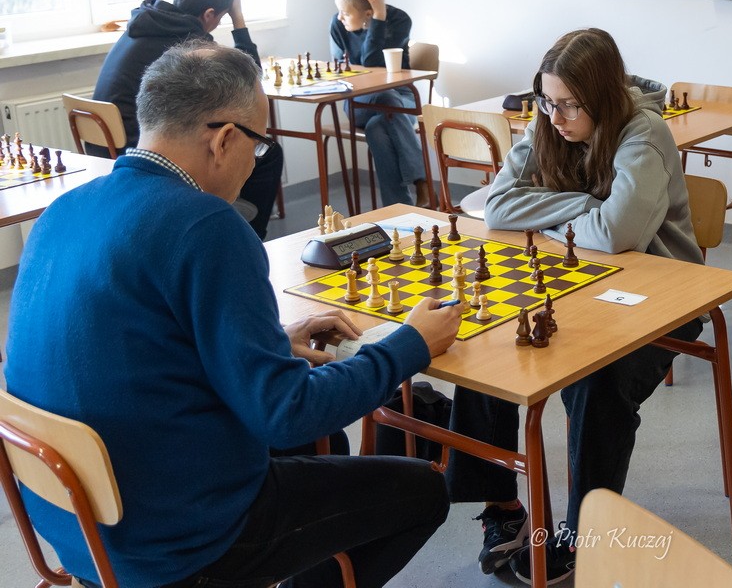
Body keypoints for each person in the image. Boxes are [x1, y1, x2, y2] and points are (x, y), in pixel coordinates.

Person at [5, 40, 462, 588]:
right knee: (424, 490)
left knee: (318, 451)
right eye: (259, 145)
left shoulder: (64, 208)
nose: (255, 163)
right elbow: (290, 412)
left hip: (73, 520)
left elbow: (134, 345)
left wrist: (269, 341)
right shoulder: (206, 226)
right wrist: (409, 345)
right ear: (224, 139)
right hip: (177, 544)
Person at [446, 28, 704, 585]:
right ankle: (502, 506)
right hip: (574, 280)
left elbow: (615, 234)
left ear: (603, 97)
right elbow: (498, 207)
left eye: (569, 104)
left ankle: (587, 533)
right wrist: (586, 204)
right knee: (484, 342)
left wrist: (555, 215)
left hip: (664, 296)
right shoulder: (547, 120)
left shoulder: (644, 131)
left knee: (598, 381)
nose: (555, 116)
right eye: (547, 100)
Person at [91, 0, 283, 239]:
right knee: (267, 152)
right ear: (209, 14)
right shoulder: (187, 39)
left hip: (111, 153)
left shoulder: (146, 24)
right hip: (147, 156)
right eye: (222, 16)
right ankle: (245, 236)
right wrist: (238, 19)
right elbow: (250, 83)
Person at [329, 0, 428, 207]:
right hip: (358, 101)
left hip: (402, 97)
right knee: (385, 97)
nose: (340, 17)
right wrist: (377, 19)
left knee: (377, 128)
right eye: (339, 11)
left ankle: (398, 209)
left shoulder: (399, 19)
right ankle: (421, 180)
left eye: (345, 12)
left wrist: (380, 18)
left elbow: (373, 64)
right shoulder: (337, 24)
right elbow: (349, 70)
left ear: (367, 13)